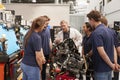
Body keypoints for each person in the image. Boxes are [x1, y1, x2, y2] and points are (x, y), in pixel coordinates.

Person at [87, 10, 119, 80]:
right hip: (109, 68)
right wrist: (115, 63)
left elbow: (102, 52)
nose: (89, 23)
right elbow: (113, 48)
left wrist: (112, 65)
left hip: (101, 69)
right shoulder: (110, 31)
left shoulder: (96, 33)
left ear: (92, 19)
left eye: (89, 21)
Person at [38, 15, 52, 80]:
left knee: (44, 69)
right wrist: (42, 55)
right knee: (39, 69)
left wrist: (51, 51)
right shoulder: (39, 31)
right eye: (46, 23)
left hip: (46, 52)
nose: (47, 25)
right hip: (40, 54)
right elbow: (38, 44)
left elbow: (49, 40)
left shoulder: (48, 29)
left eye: (47, 24)